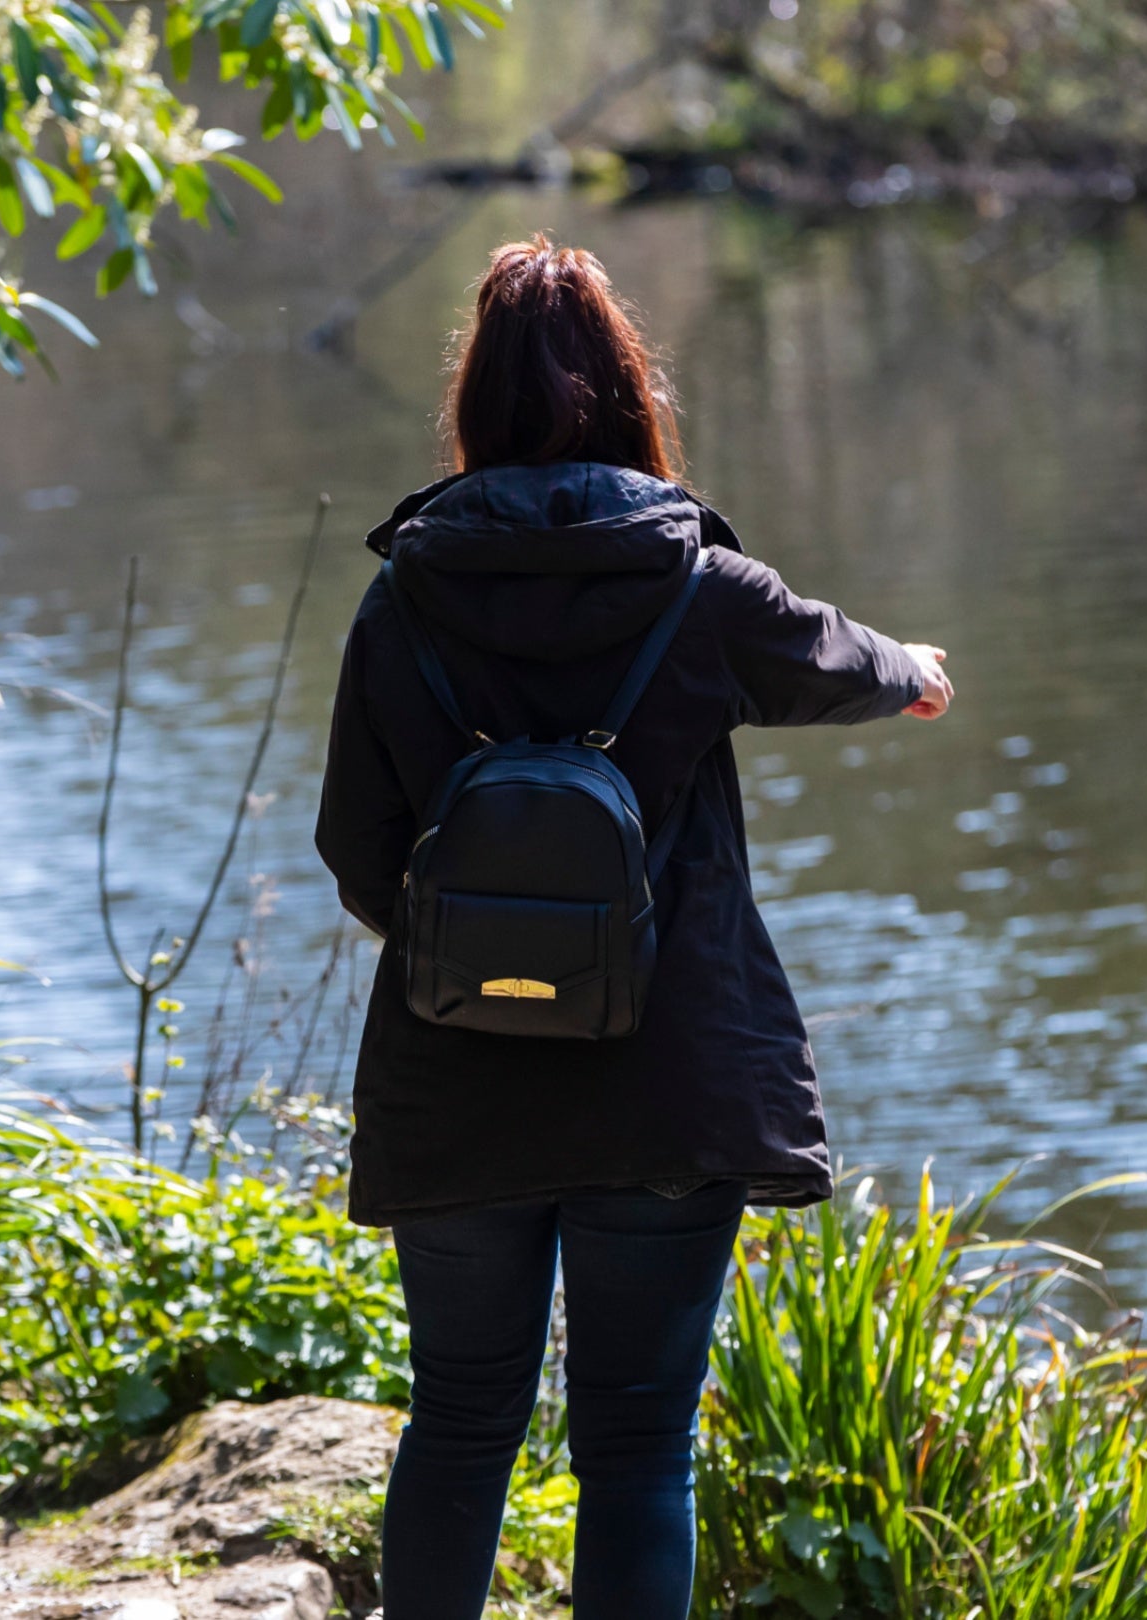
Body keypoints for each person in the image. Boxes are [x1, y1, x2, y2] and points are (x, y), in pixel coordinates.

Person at [312, 238, 955, 1619]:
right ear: (625, 396)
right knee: (637, 1447)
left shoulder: (401, 595)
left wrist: (476, 965)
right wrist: (920, 675)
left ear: (474, 403)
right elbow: (848, 659)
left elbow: (355, 855)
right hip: (667, 1084)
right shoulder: (698, 586)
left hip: (456, 1078)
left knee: (462, 1422)